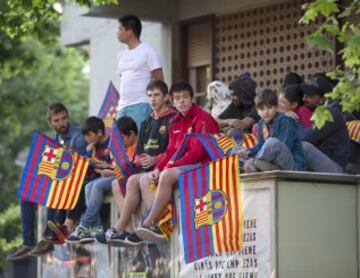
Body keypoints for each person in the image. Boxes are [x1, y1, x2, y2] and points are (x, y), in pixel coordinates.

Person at [133, 81, 220, 242]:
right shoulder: (175, 121)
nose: (181, 101)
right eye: (177, 98)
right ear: (172, 101)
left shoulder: (202, 118)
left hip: (207, 166)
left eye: (185, 97)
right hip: (188, 165)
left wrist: (170, 166)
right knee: (148, 178)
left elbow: (197, 153)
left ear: (192, 98)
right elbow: (171, 151)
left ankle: (150, 221)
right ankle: (161, 223)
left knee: (167, 175)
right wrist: (158, 168)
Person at [7, 103, 87, 261]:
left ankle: (48, 236)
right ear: (50, 123)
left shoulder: (78, 137)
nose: (61, 123)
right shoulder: (53, 140)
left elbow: (77, 168)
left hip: (75, 184)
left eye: (64, 118)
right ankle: (28, 242)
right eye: (56, 120)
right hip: (59, 180)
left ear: (68, 118)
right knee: (26, 194)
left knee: (52, 187)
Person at [104, 80, 176, 246]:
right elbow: (137, 155)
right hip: (147, 170)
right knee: (129, 180)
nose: (152, 99)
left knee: (143, 180)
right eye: (149, 96)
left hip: (165, 168)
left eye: (157, 95)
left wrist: (155, 160)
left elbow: (175, 150)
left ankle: (156, 224)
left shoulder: (173, 119)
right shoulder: (145, 123)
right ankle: (121, 228)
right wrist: (139, 160)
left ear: (166, 97)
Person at [66, 116, 138, 243]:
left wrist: (109, 170)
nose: (87, 139)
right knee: (88, 186)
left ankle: (85, 225)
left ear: (99, 132)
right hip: (108, 176)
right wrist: (88, 154)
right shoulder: (93, 147)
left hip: (117, 176)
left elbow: (120, 166)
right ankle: (97, 230)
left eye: (89, 135)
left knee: (97, 186)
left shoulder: (113, 144)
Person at [237, 89, 305, 173]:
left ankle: (254, 162)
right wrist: (247, 152)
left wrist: (253, 158)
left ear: (276, 108)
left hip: (292, 164)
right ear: (257, 112)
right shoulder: (260, 124)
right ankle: (254, 163)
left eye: (269, 107)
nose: (266, 112)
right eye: (262, 109)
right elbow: (260, 146)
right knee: (237, 150)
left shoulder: (284, 121)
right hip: (271, 162)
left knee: (272, 142)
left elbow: (285, 147)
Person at [116, 14, 163, 129]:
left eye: (120, 29)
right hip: (122, 107)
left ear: (130, 32)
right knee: (121, 144)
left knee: (139, 143)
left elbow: (159, 80)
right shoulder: (121, 55)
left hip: (141, 105)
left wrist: (159, 106)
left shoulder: (147, 51)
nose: (117, 32)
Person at [300, 75, 350, 173]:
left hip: (336, 169)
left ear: (322, 99)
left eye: (309, 95)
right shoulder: (321, 111)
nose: (303, 98)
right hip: (324, 164)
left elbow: (306, 137)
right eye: (304, 94)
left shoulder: (330, 113)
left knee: (303, 147)